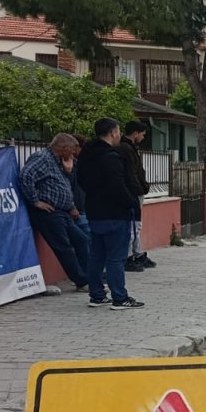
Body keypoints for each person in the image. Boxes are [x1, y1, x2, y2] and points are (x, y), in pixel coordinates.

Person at [79, 117, 145, 309]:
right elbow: (118, 185)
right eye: (117, 132)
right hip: (115, 213)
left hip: (93, 210)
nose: (118, 135)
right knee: (116, 257)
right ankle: (120, 297)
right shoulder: (111, 157)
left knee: (96, 255)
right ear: (113, 133)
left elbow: (82, 181)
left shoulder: (87, 155)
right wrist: (131, 202)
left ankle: (97, 295)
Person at [19, 133, 89, 292]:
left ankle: (87, 275)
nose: (73, 154)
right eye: (71, 150)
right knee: (65, 247)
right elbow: (25, 176)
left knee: (82, 240)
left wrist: (68, 172)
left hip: (63, 211)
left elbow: (62, 185)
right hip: (49, 212)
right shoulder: (42, 158)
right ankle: (81, 281)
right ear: (64, 147)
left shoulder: (59, 162)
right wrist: (35, 201)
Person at [118, 121, 155, 271]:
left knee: (136, 226)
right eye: (142, 134)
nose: (143, 137)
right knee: (132, 226)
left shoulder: (130, 148)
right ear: (135, 133)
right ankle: (128, 257)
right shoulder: (126, 149)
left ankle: (137, 254)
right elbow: (131, 173)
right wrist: (140, 188)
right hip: (133, 192)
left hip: (135, 191)